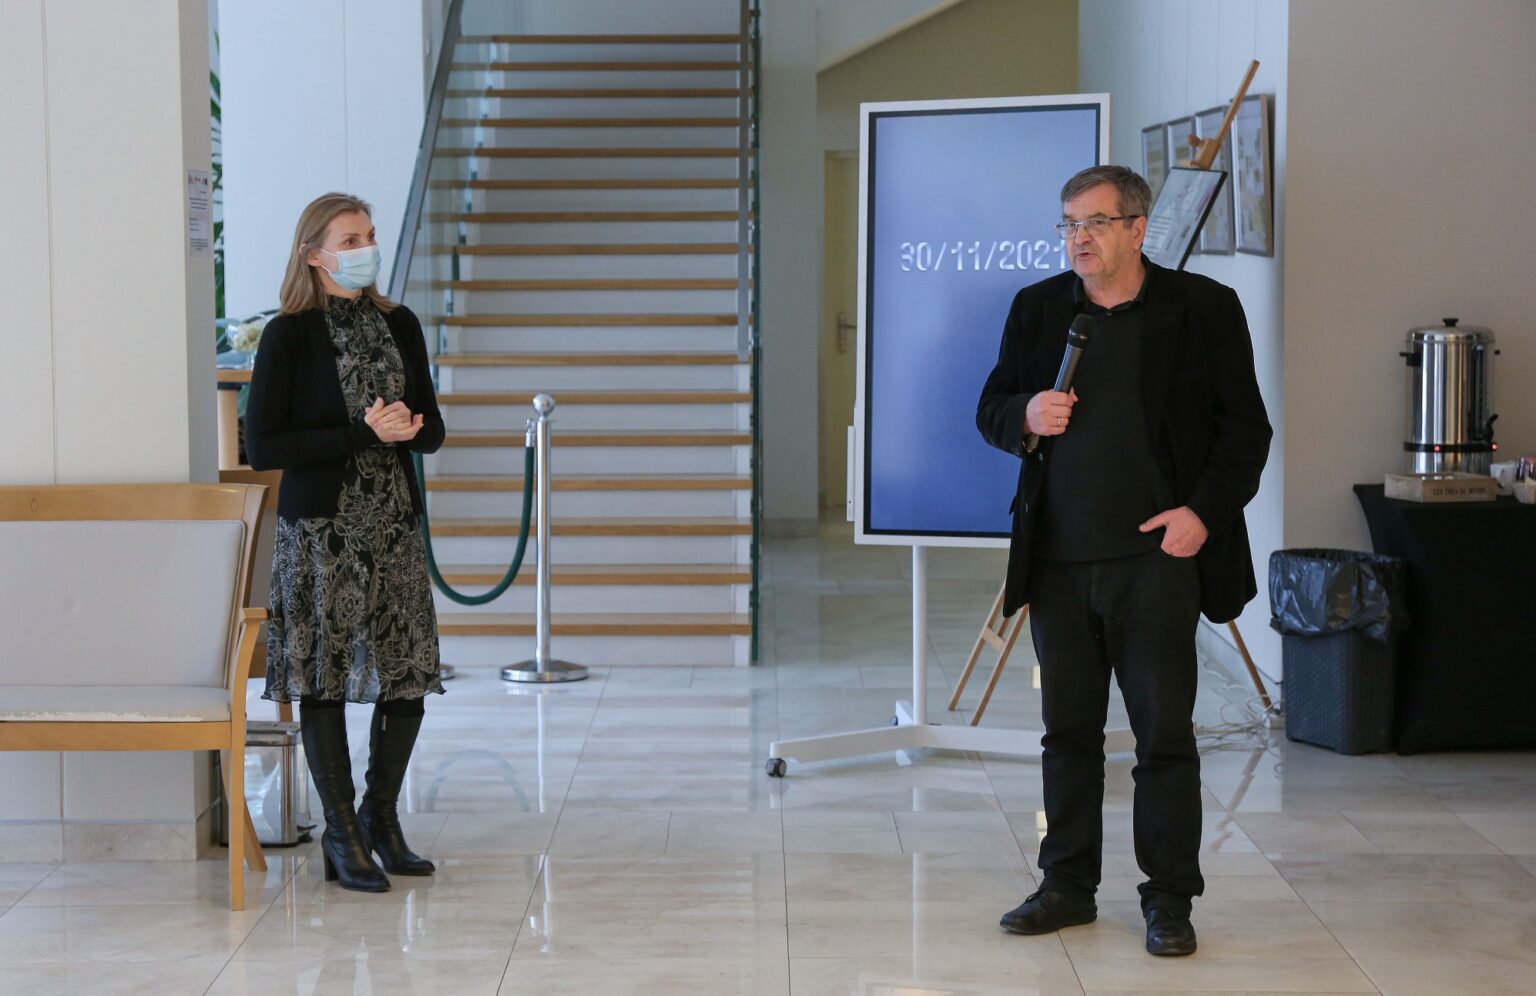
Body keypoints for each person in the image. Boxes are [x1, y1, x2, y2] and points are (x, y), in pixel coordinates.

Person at [976, 165, 1271, 956]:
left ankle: (1169, 899)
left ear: (1138, 229)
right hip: (1059, 562)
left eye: (1096, 223)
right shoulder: (1039, 309)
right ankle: (1066, 885)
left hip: (1155, 561)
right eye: (1069, 224)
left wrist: (1200, 515)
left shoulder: (1203, 309)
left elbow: (1245, 432)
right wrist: (1026, 414)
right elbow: (992, 408)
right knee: (1067, 734)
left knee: (1163, 737)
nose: (1079, 238)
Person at [245, 192, 446, 893]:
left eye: (369, 235)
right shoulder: (289, 335)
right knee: (323, 673)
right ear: (314, 254)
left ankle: (379, 819)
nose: (366, 249)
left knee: (408, 671)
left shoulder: (401, 323)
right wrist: (363, 433)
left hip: (393, 527)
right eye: (351, 239)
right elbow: (263, 446)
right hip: (320, 533)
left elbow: (434, 427)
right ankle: (340, 833)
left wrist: (410, 428)